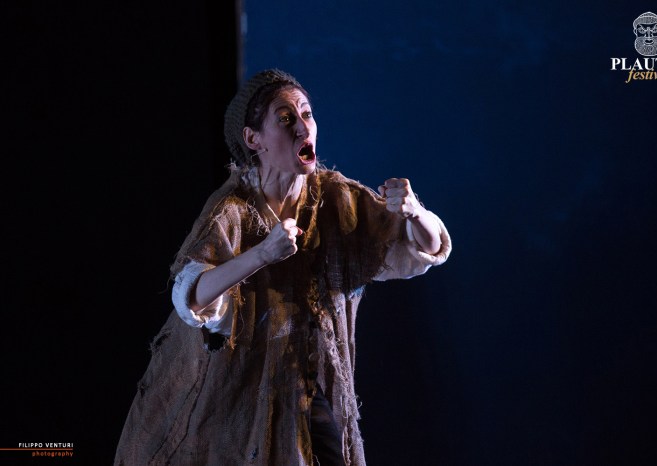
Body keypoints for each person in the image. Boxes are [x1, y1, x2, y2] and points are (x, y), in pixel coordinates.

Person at [114, 68, 452, 466]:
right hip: (236, 391)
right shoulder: (233, 210)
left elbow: (425, 249)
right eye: (286, 118)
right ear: (253, 139)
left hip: (304, 388)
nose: (303, 127)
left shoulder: (334, 197)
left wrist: (414, 213)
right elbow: (191, 296)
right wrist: (262, 254)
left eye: (306, 114)